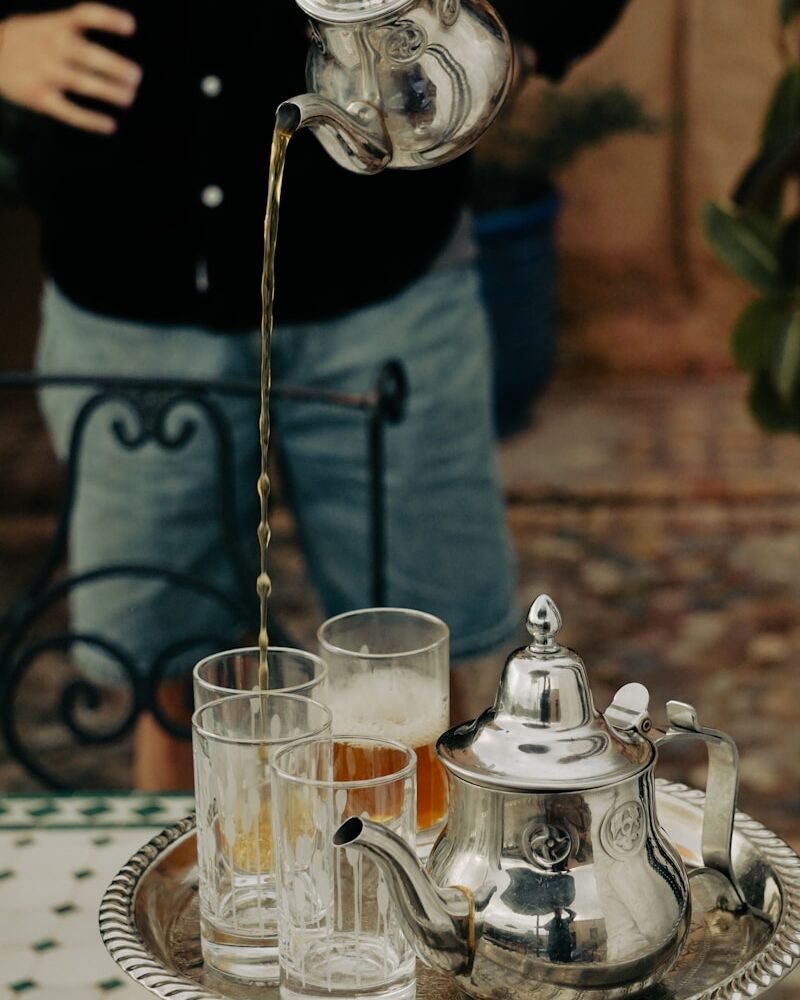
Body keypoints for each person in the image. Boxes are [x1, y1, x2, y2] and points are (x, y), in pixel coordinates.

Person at [0, 1, 629, 789]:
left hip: (383, 274)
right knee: (172, 684)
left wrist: (517, 40)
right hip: (128, 283)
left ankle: (414, 869)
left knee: (414, 669)